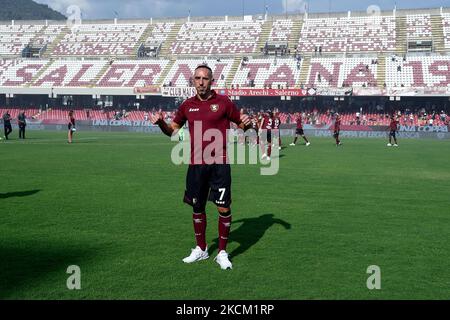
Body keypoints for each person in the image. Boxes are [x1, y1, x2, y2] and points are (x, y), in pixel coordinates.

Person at [150, 64, 251, 270]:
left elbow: (241, 124)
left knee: (223, 207)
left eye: (205, 78)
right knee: (197, 207)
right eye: (197, 78)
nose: (201, 82)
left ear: (211, 81)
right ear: (193, 81)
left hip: (219, 164)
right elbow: (172, 132)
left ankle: (222, 252)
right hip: (196, 164)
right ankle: (201, 249)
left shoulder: (224, 102)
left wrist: (247, 123)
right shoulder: (187, 106)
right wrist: (161, 123)